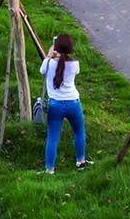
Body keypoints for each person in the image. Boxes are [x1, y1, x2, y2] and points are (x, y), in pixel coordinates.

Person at [41, 32, 89, 173]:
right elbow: (65, 65)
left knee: (53, 137)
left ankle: (50, 169)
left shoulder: (48, 63)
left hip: (55, 105)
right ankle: (80, 162)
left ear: (55, 47)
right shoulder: (75, 65)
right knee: (79, 132)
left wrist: (50, 56)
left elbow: (42, 70)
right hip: (73, 103)